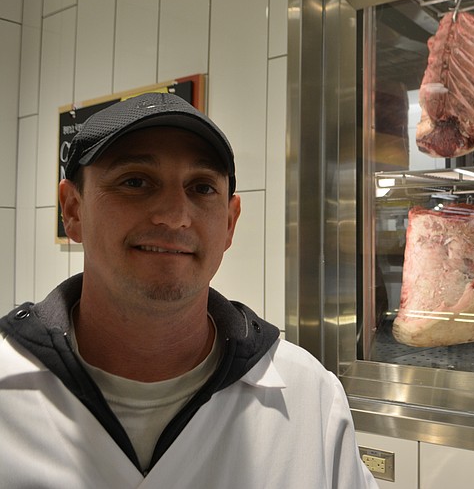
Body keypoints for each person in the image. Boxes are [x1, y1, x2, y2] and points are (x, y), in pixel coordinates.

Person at [0, 92, 379, 488]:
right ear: (73, 210)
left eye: (201, 188)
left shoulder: (310, 398)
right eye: (135, 182)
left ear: (229, 223)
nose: (174, 216)